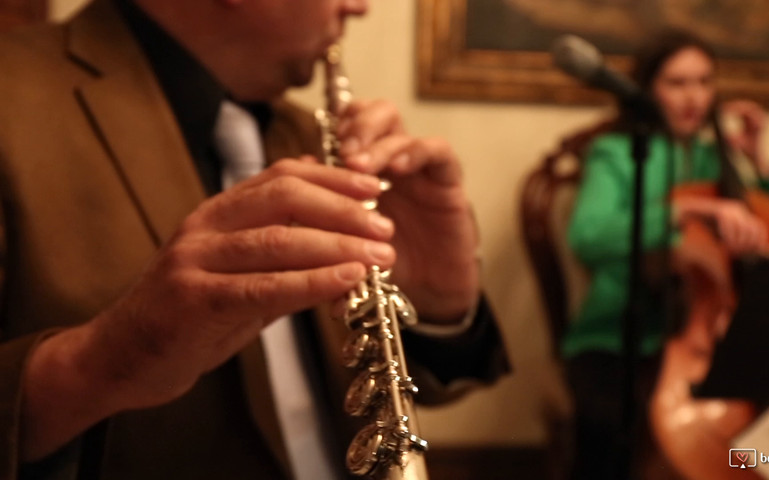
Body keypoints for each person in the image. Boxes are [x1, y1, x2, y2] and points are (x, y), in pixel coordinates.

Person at [0, 0, 508, 478]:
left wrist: (440, 307)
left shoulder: (305, 135)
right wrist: (99, 363)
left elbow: (374, 390)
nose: (359, 6)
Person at [563, 30, 769, 479]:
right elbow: (588, 237)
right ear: (648, 87)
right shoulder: (616, 153)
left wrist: (760, 162)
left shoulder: (716, 158)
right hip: (620, 334)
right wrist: (683, 210)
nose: (694, 97)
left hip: (708, 337)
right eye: (677, 83)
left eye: (704, 81)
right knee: (613, 430)